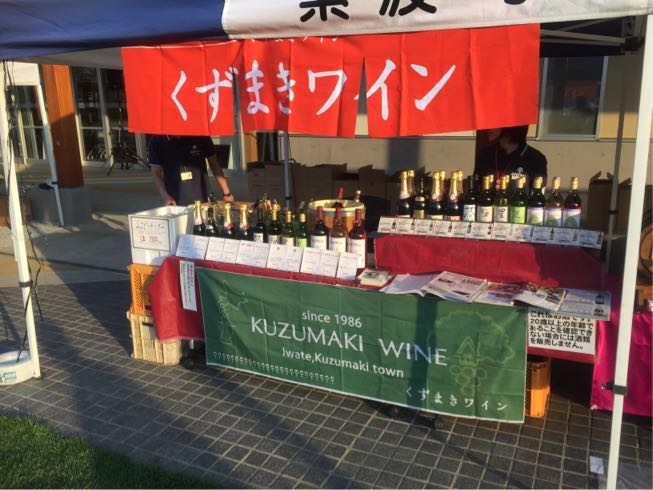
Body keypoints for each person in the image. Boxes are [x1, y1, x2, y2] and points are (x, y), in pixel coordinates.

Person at [148, 135, 235, 206]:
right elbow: (156, 172)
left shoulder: (200, 134)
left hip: (204, 197)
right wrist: (165, 196)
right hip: (176, 200)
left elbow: (214, 164)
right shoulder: (157, 140)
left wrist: (226, 193)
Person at [474, 125, 547, 192]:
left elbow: (537, 197)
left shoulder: (536, 159)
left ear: (510, 127)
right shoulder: (485, 155)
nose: (489, 128)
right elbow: (476, 188)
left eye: (495, 123)